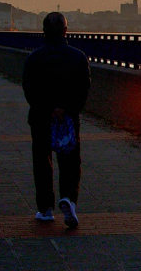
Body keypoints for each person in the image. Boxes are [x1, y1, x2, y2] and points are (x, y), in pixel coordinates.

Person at [22, 12, 90, 228]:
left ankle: (45, 209)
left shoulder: (34, 57)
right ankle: (69, 199)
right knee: (70, 160)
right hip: (68, 119)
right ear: (65, 31)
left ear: (43, 32)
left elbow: (29, 89)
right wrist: (66, 109)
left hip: (41, 117)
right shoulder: (78, 57)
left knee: (42, 161)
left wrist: (49, 108)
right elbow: (83, 89)